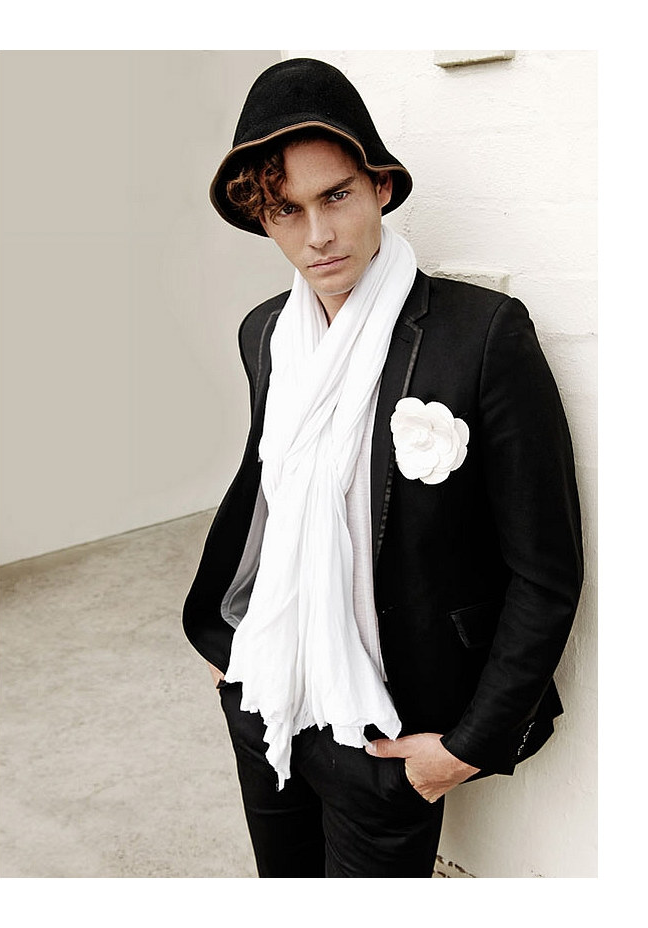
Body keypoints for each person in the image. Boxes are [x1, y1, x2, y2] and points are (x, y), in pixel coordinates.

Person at [182, 57, 583, 878]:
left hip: (387, 737)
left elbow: (545, 570)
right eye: (287, 210)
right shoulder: (265, 333)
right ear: (263, 218)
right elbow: (269, 492)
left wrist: (463, 750)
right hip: (267, 695)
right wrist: (230, 645)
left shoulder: (481, 336)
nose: (317, 236)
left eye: (335, 196)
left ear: (381, 186)